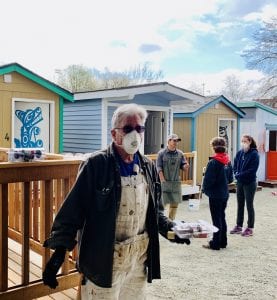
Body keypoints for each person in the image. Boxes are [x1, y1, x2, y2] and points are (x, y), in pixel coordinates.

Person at [42, 103, 190, 300]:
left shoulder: (148, 167)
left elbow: (155, 214)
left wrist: (173, 230)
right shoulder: (96, 165)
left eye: (139, 128)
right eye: (128, 129)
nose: (135, 134)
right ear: (114, 134)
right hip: (105, 261)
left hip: (138, 260)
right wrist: (59, 252)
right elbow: (74, 209)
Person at [202, 137, 233, 250]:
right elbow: (230, 179)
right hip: (224, 193)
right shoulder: (227, 161)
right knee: (222, 217)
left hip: (215, 194)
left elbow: (208, 180)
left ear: (214, 148)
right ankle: (223, 241)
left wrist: (204, 189)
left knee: (216, 219)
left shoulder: (213, 162)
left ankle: (215, 243)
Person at [230, 134, 259, 237]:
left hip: (250, 183)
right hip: (240, 182)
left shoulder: (254, 154)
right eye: (242, 141)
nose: (243, 143)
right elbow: (235, 166)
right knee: (240, 204)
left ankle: (250, 227)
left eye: (245, 141)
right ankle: (239, 226)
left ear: (250, 141)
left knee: (249, 205)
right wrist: (236, 174)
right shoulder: (240, 153)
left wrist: (239, 175)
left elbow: (252, 170)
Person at [156, 134, 189, 220]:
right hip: (164, 182)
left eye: (177, 141)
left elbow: (183, 165)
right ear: (169, 141)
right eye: (174, 140)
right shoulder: (161, 153)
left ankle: (170, 222)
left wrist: (185, 166)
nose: (176, 142)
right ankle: (160, 222)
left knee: (174, 205)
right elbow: (158, 167)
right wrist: (162, 180)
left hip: (175, 183)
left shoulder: (180, 153)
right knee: (162, 204)